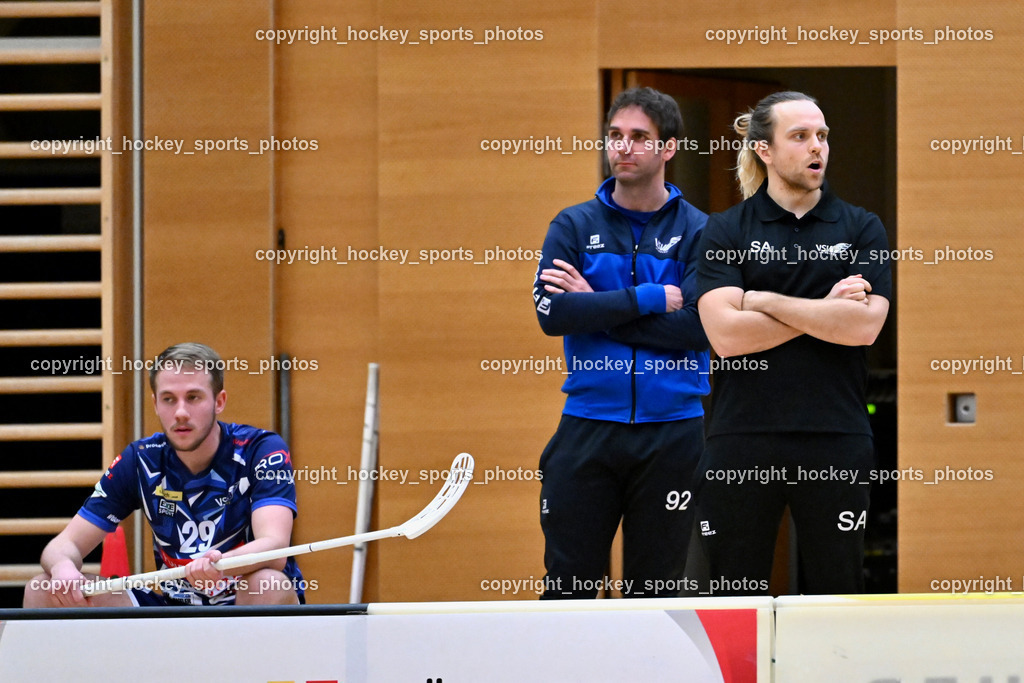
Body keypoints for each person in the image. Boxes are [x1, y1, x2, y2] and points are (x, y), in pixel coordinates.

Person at [695, 91, 891, 595]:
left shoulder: (861, 227)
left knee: (838, 593)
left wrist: (762, 300)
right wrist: (826, 308)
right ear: (764, 149)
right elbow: (727, 336)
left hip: (836, 435)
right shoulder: (725, 230)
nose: (816, 146)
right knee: (735, 597)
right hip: (741, 437)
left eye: (822, 136)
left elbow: (863, 328)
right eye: (800, 136)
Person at [532, 87, 709, 599]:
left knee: (655, 595)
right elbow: (553, 315)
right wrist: (646, 298)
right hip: (588, 425)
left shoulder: (701, 231)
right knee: (568, 589)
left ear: (668, 148)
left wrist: (597, 305)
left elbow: (699, 329)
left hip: (673, 433)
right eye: (614, 135)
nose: (623, 147)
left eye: (639, 137)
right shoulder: (573, 225)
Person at [23, 342, 305, 607]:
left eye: (193, 397)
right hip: (173, 609)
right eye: (169, 399)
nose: (180, 412)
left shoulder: (261, 449)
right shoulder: (140, 460)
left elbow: (274, 546)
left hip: (242, 600)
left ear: (219, 401)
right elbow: (65, 544)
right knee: (41, 589)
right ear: (156, 404)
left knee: (268, 584)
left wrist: (219, 563)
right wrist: (63, 568)